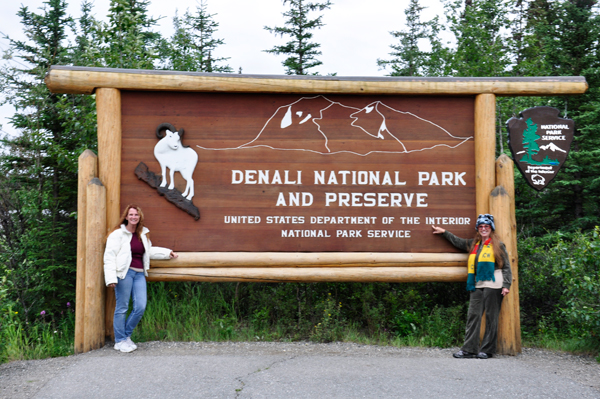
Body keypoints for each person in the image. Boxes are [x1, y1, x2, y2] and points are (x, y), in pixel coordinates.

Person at [432, 213, 512, 359]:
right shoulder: (474, 244)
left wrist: (506, 285)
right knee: (473, 315)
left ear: (491, 228)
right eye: (480, 226)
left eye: (486, 226)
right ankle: (469, 349)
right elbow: (457, 242)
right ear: (478, 228)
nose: (483, 229)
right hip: (477, 283)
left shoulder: (498, 245)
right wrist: (444, 233)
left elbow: (506, 266)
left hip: (495, 283)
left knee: (491, 317)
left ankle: (487, 350)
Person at [104, 204, 178, 353]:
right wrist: (111, 278)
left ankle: (126, 336)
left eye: (136, 215)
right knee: (122, 307)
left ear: (139, 217)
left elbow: (149, 252)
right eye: (131, 215)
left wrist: (167, 253)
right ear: (126, 217)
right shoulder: (117, 234)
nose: (133, 217)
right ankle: (119, 341)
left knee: (140, 307)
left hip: (139, 274)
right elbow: (109, 256)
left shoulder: (142, 234)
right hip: (124, 274)